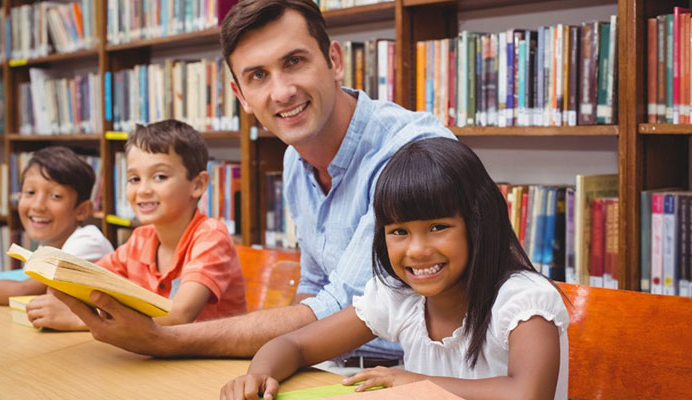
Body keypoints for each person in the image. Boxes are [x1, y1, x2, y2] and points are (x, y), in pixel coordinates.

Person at [55, 0, 452, 362]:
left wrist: (165, 340)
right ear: (240, 94)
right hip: (334, 370)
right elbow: (314, 285)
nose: (281, 91)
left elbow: (347, 307)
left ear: (333, 60)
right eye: (258, 75)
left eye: (295, 61)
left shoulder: (412, 152)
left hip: (425, 375)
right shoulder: (295, 159)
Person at [220, 137, 570, 400]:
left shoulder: (523, 301)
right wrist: (259, 375)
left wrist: (417, 382)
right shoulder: (398, 296)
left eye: (438, 227)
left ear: (478, 223)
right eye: (399, 232)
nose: (417, 250)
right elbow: (293, 346)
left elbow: (526, 393)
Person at [42, 120, 248, 330]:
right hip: (158, 355)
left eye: (159, 177)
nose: (143, 190)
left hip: (211, 360)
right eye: (134, 179)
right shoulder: (141, 238)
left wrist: (81, 319)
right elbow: (78, 282)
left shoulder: (211, 236)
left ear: (198, 185)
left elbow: (179, 315)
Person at [0, 146, 114, 319]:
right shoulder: (49, 245)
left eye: (56, 196)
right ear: (19, 197)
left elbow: (23, 290)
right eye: (30, 192)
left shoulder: (87, 242)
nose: (37, 205)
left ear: (82, 210)